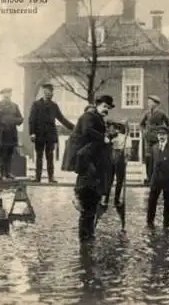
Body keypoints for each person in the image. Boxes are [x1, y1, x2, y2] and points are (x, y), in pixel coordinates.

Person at [67, 95, 114, 242]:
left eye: (108, 108)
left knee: (92, 204)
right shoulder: (89, 116)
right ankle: (84, 237)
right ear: (97, 105)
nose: (106, 110)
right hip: (88, 168)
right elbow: (87, 131)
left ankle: (89, 234)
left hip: (94, 167)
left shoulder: (97, 118)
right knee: (87, 204)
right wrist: (103, 138)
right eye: (104, 106)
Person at [28, 83, 75, 183]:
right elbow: (31, 120)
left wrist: (74, 128)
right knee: (39, 156)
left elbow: (61, 119)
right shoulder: (36, 104)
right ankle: (38, 177)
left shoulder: (54, 106)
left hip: (50, 135)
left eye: (50, 92)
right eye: (46, 92)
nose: (48, 94)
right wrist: (32, 133)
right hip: (39, 135)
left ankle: (51, 177)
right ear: (43, 92)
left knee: (50, 157)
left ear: (52, 93)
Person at [146, 125, 169, 229]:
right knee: (152, 201)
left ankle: (166, 223)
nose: (161, 136)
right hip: (156, 179)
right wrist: (149, 177)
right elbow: (150, 164)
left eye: (164, 134)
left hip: (168, 179)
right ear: (157, 136)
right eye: (160, 134)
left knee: (168, 202)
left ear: (167, 136)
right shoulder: (154, 147)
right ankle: (150, 222)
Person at [0, 87, 24, 180]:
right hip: (1, 134)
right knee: (1, 154)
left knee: (10, 154)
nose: (6, 95)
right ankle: (0, 173)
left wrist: (13, 121)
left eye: (8, 93)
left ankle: (8, 173)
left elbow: (20, 119)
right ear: (2, 95)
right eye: (4, 93)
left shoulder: (15, 106)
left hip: (11, 134)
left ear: (11, 94)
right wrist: (0, 120)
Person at [140, 95, 169, 185]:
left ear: (156, 103)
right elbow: (141, 124)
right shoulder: (147, 113)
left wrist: (163, 132)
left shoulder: (162, 113)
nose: (148, 103)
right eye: (148, 102)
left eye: (150, 102)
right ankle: (149, 178)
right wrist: (144, 132)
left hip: (158, 140)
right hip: (148, 139)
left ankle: (157, 178)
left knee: (157, 159)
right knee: (148, 158)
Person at [102, 120, 129, 207]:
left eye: (113, 128)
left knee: (114, 181)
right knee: (114, 181)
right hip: (114, 160)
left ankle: (111, 200)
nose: (111, 130)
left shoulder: (120, 137)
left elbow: (128, 150)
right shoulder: (108, 137)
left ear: (117, 129)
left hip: (115, 159)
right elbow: (127, 152)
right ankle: (111, 200)